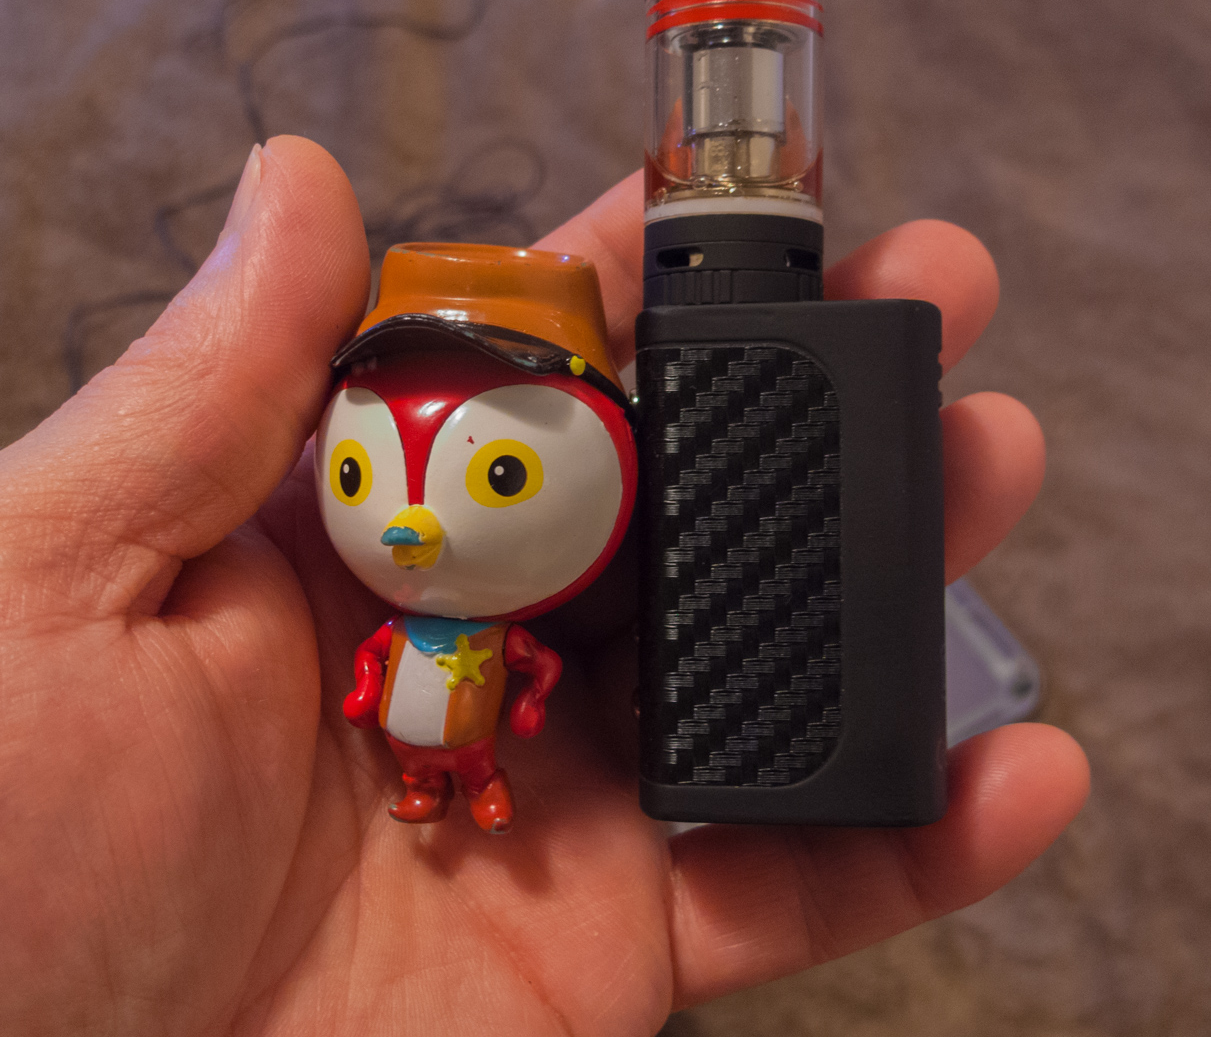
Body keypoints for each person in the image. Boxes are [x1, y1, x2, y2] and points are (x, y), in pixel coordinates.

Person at [0, 136, 1089, 1035]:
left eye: (502, 473)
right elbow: (383, 660)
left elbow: (529, 663)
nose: (412, 523)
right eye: (360, 472)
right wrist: (369, 684)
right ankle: (441, 782)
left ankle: (472, 783)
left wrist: (524, 691)